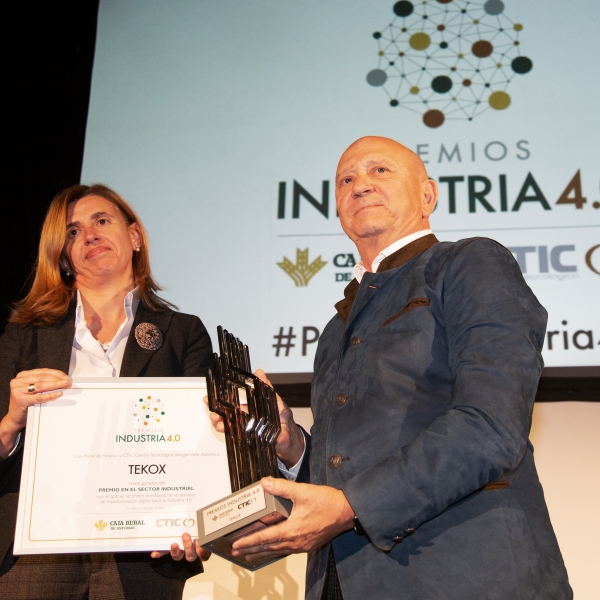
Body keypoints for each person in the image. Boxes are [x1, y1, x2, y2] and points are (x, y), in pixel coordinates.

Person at [210, 137, 572, 599]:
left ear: (428, 196)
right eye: (346, 179)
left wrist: (349, 506)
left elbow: (490, 426)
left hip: (467, 577)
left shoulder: (469, 263)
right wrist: (292, 444)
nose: (360, 185)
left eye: (379, 171)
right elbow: (344, 469)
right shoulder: (333, 330)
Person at [0, 184, 213, 600]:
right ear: (63, 256)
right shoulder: (24, 335)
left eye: (102, 221)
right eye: (74, 232)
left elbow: (203, 446)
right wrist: (12, 422)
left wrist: (198, 521)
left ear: (134, 236)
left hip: (142, 554)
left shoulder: (183, 333)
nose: (90, 235)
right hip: (36, 555)